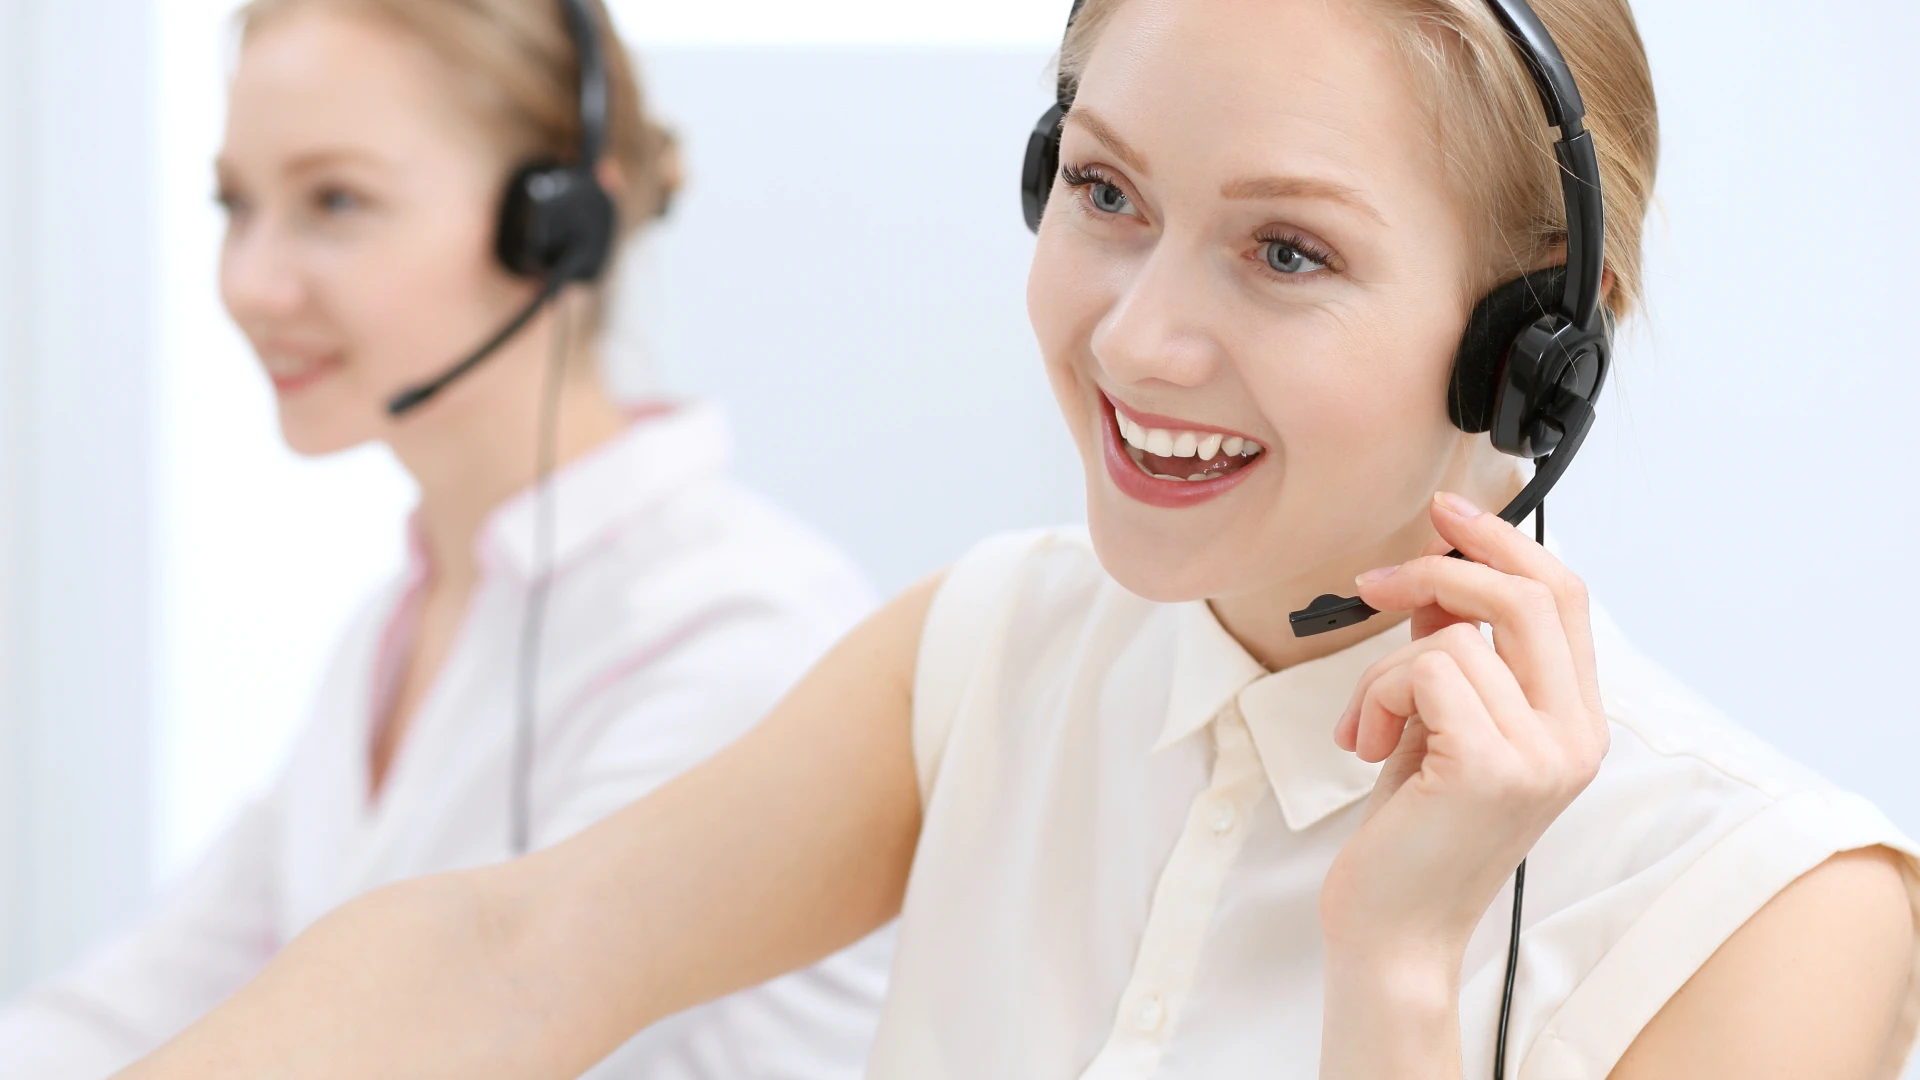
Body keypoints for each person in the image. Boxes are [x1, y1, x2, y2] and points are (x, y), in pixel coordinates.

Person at [115, 0, 1920, 1077]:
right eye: (1105, 193)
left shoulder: (1778, 913)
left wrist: (1393, 971)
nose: (1134, 338)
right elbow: (509, 960)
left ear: (1541, 340)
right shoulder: (993, 650)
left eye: (1287, 252)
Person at [0, 1, 894, 1077]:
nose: (249, 280)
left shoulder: (736, 635)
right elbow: (143, 1004)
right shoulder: (401, 628)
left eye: (336, 200)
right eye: (235, 203)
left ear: (556, 231)